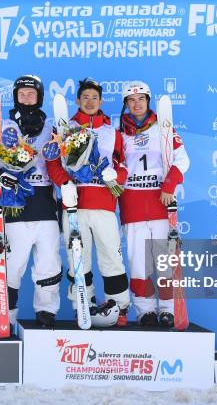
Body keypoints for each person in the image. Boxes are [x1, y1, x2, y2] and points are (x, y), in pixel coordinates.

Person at [0, 75, 61, 332]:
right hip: (14, 208)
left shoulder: (52, 128)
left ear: (39, 97)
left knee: (49, 264)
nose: (26, 97)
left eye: (31, 93)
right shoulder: (1, 127)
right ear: (15, 96)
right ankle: (1, 318)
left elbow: (61, 164)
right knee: (11, 267)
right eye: (21, 93)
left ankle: (46, 312)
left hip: (45, 207)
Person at [46, 78, 131, 326]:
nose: (90, 102)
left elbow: (123, 165)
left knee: (111, 257)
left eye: (95, 97)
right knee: (78, 258)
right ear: (78, 101)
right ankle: (83, 304)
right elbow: (52, 163)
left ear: (101, 101)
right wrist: (65, 183)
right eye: (85, 97)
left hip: (104, 205)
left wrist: (116, 176)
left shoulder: (112, 133)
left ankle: (119, 307)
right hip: (74, 205)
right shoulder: (64, 128)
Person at [118, 81, 190, 327]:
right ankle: (145, 309)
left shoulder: (164, 128)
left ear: (148, 101)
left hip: (160, 202)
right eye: (131, 100)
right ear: (126, 104)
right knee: (138, 263)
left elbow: (182, 159)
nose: (137, 104)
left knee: (164, 261)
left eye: (141, 99)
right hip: (133, 205)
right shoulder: (120, 133)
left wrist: (169, 185)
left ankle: (168, 309)